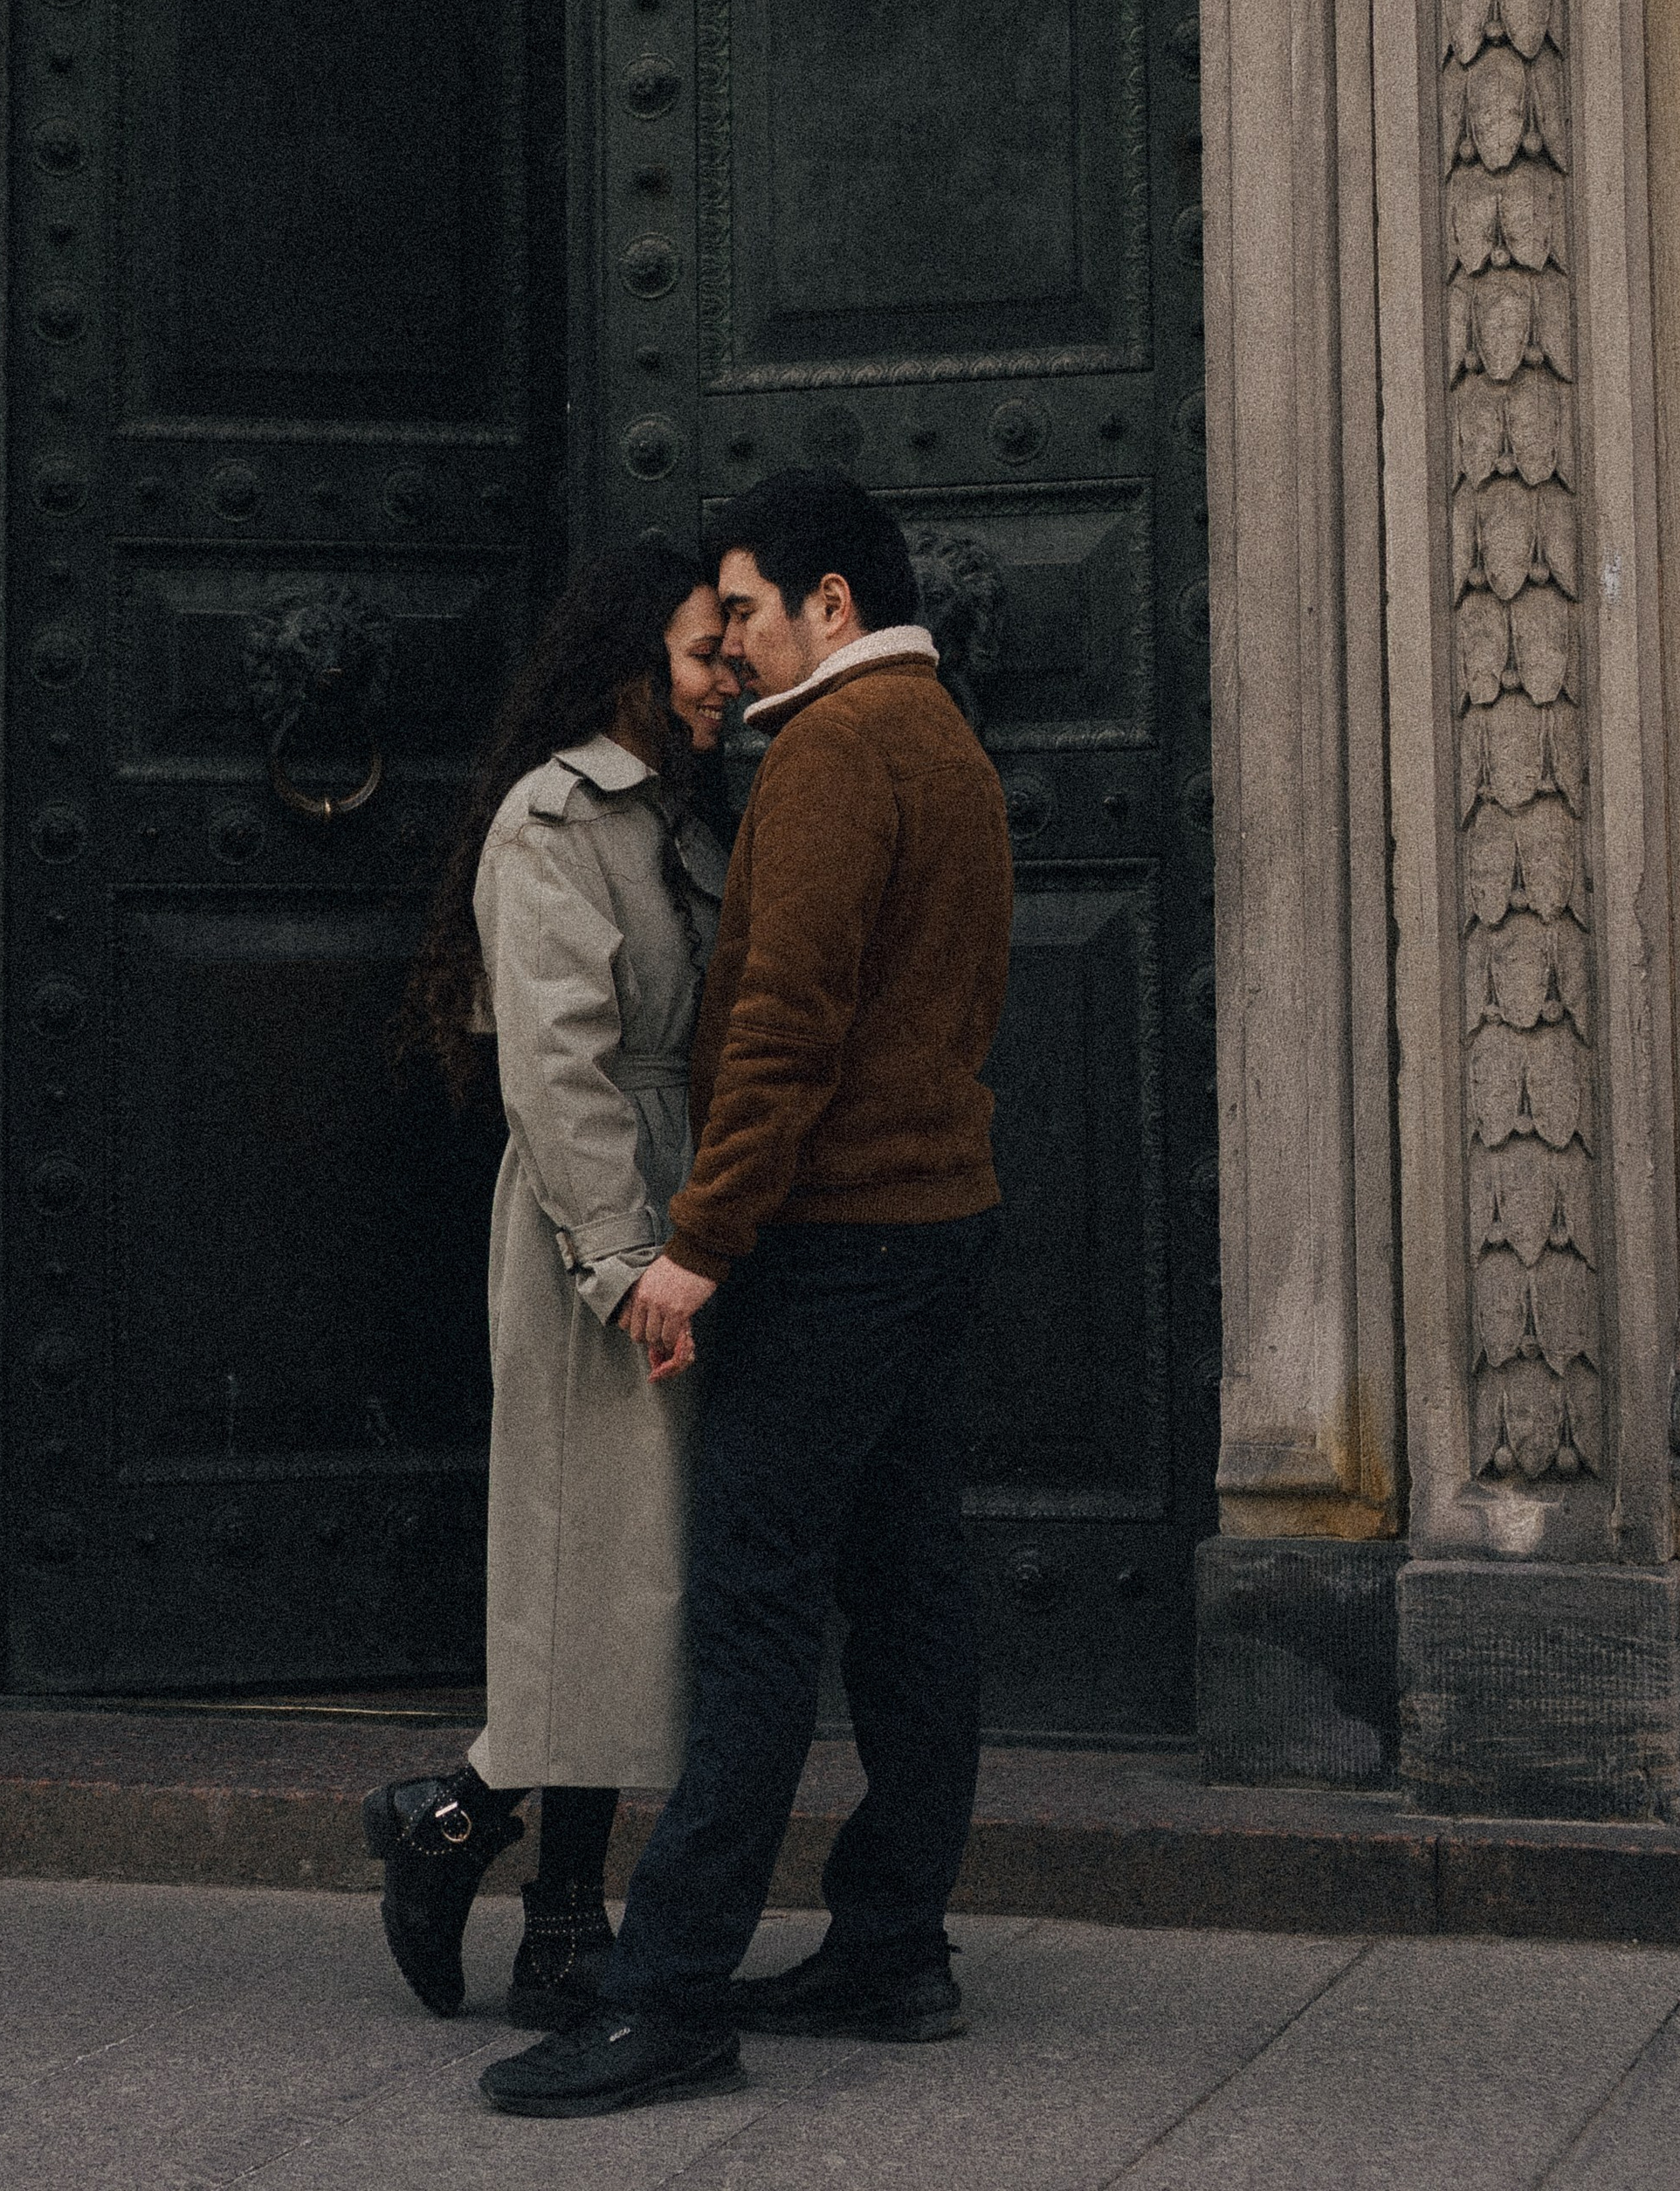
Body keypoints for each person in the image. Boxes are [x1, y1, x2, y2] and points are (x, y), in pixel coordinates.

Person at [480, 467, 1016, 2121]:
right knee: (909, 1592)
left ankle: (667, 1994)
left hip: (835, 1243)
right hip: (935, 1220)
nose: (734, 649)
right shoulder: (945, 736)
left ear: (828, 604)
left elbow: (786, 1025)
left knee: (755, 1612)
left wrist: (698, 1246)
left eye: (749, 612)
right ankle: (893, 1945)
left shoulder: (839, 749)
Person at [361, 543, 738, 2033]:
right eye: (704, 653)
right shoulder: (552, 822)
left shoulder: (681, 817)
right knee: (595, 1567)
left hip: (679, 1206)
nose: (727, 680)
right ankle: (549, 1908)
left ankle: (461, 1835)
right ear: (631, 663)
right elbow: (557, 1065)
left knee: (638, 1581)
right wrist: (623, 1263)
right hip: (601, 1224)